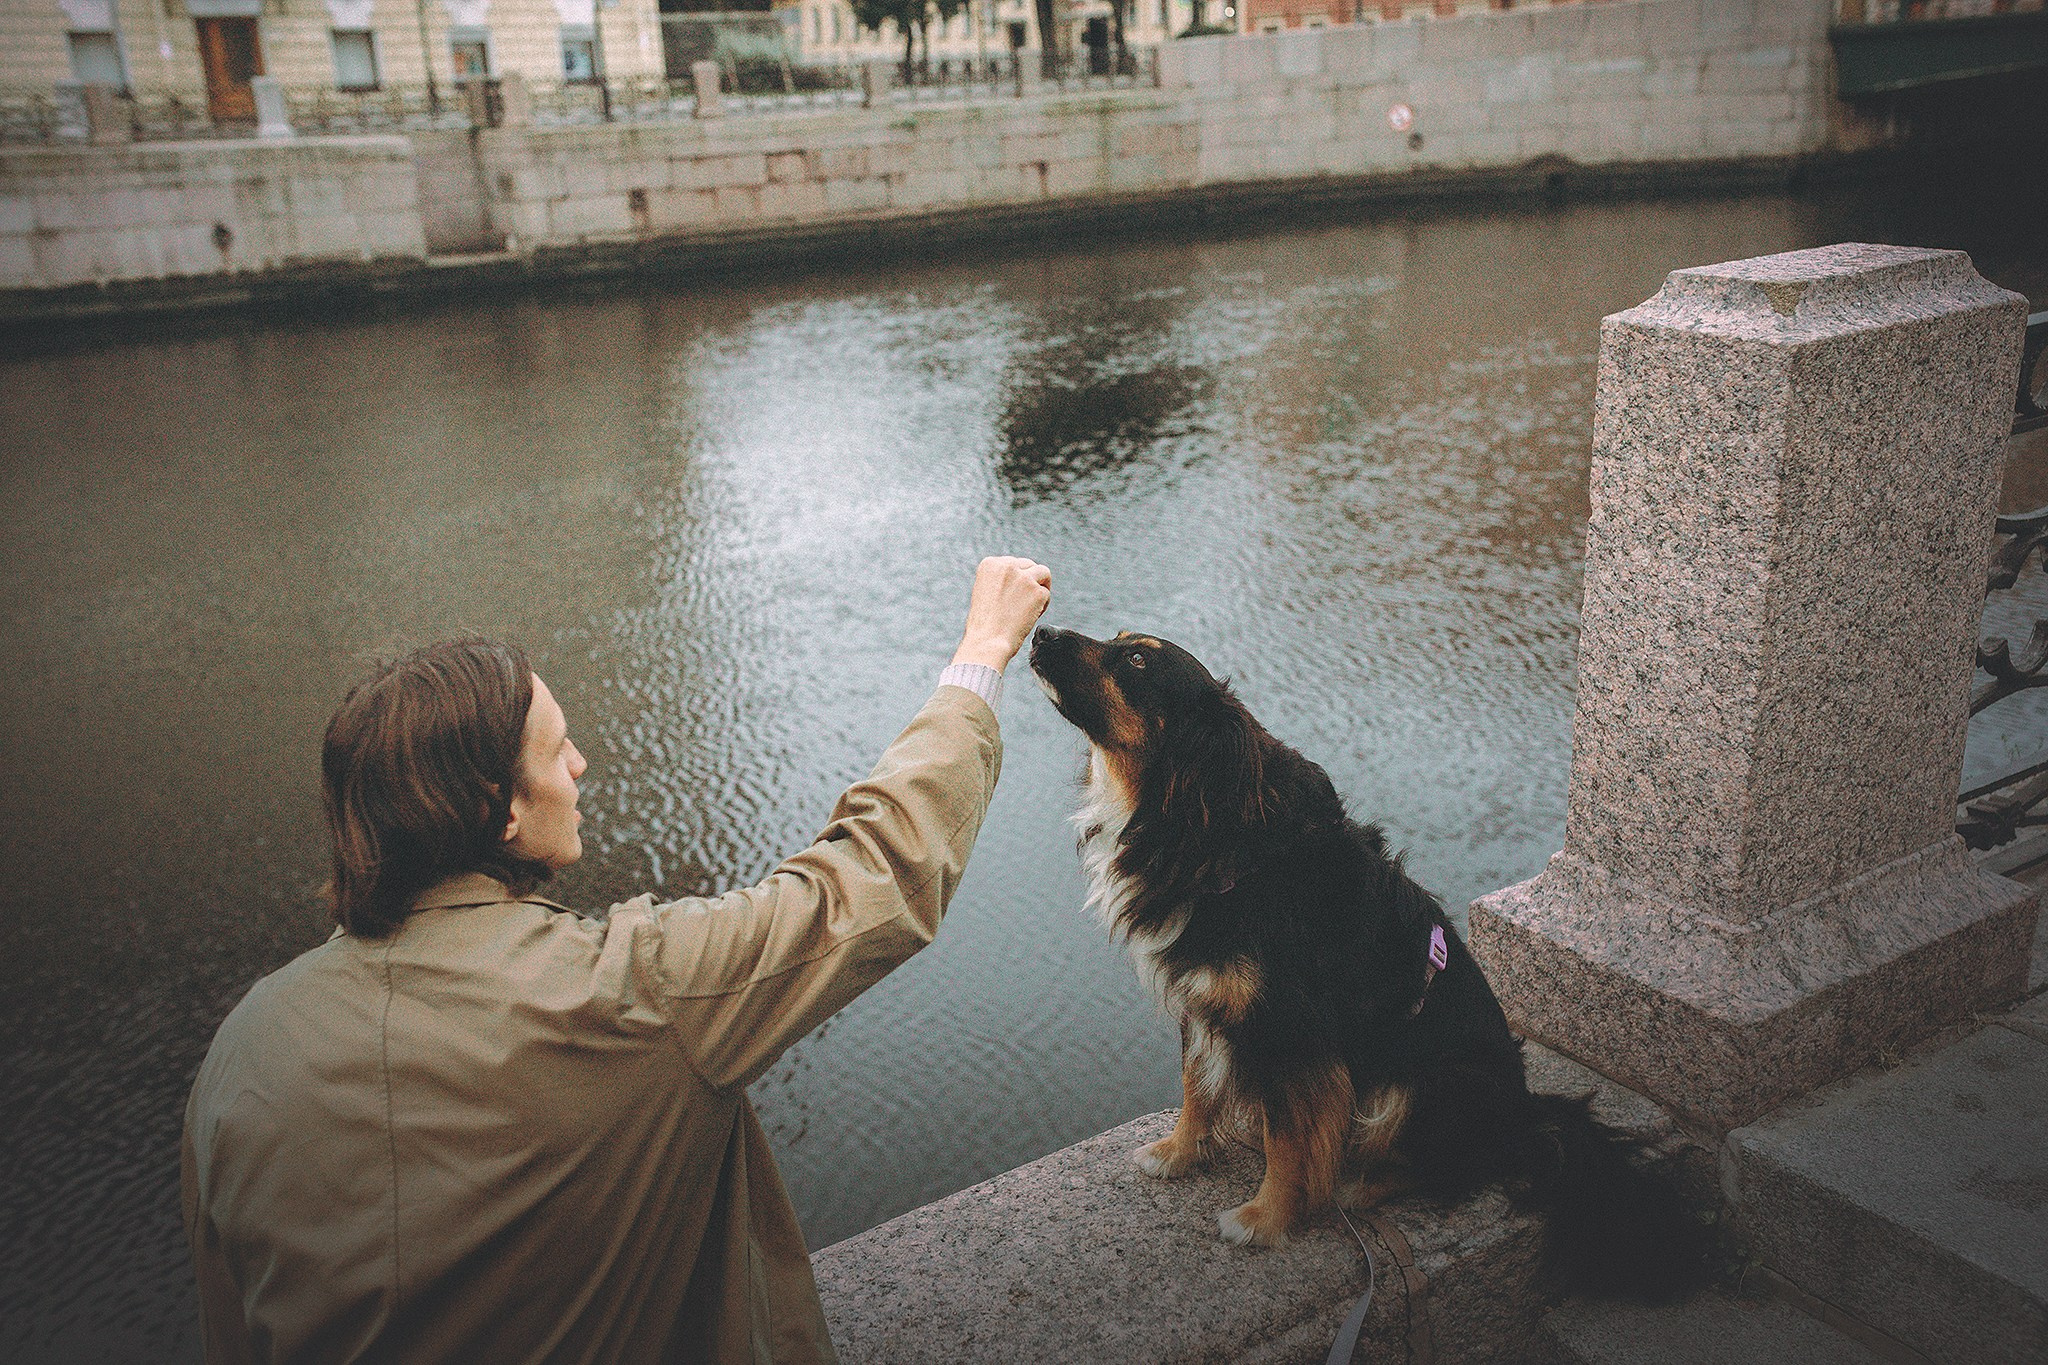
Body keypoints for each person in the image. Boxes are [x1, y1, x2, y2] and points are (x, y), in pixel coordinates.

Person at [181, 556, 1053, 1365]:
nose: (581, 762)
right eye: (558, 747)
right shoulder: (632, 994)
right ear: (501, 812)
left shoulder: (244, 1047)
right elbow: (870, 875)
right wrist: (980, 654)